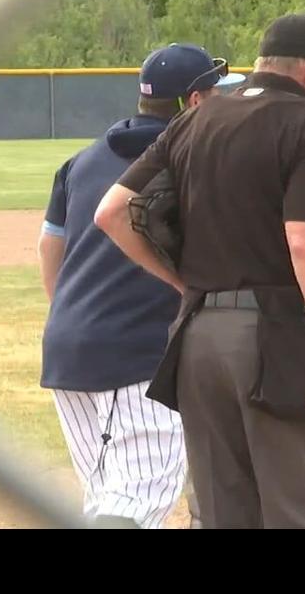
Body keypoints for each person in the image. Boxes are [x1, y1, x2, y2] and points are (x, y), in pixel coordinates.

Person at [94, 14, 305, 529]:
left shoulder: (197, 118)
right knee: (302, 510)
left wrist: (182, 284)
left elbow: (112, 212)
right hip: (277, 337)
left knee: (221, 514)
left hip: (197, 339)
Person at [38, 43, 244, 528]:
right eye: (217, 93)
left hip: (68, 351)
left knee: (108, 497)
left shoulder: (82, 161)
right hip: (139, 360)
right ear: (194, 102)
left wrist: (75, 317)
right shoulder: (195, 164)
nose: (225, 103)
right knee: (135, 501)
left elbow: (50, 248)